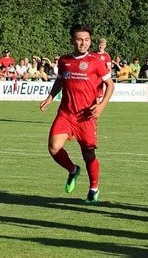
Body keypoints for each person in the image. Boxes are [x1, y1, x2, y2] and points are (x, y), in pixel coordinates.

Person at [39, 24, 114, 203]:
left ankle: (93, 188)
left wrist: (102, 106)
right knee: (53, 147)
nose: (83, 43)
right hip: (66, 113)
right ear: (72, 40)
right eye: (80, 39)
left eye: (87, 39)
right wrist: (50, 97)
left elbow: (110, 85)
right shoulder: (64, 60)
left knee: (89, 155)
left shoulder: (96, 61)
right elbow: (60, 81)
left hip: (86, 116)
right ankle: (73, 170)